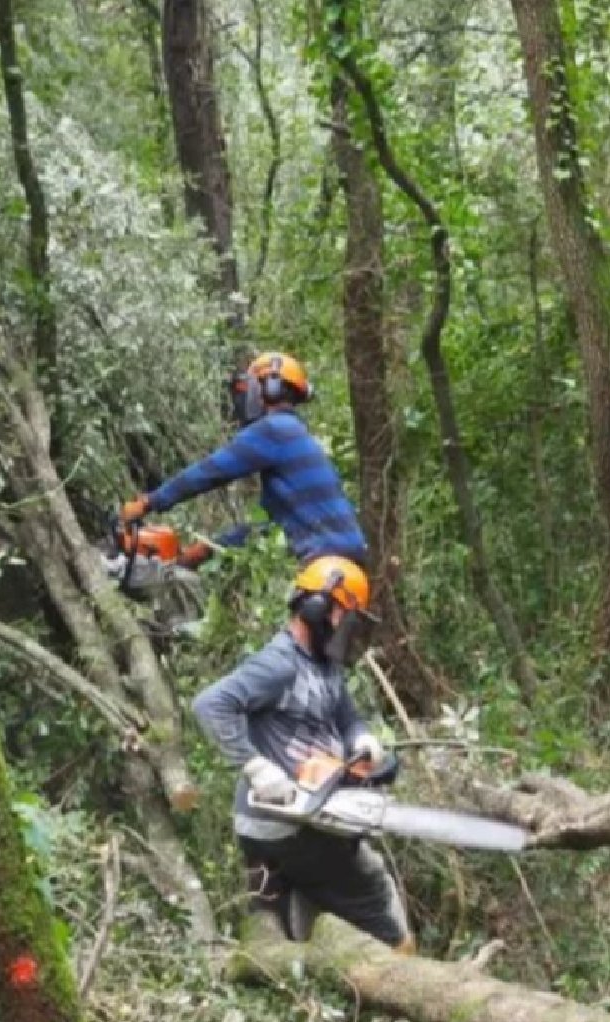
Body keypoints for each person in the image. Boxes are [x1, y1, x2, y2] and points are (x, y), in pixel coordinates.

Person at [192, 555, 413, 952]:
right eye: (347, 616)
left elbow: (347, 719)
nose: (349, 627)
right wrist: (255, 765)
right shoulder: (279, 664)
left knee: (331, 877)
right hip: (283, 824)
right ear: (319, 607)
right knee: (374, 887)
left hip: (309, 816)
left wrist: (362, 740)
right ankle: (405, 964)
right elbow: (210, 704)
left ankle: (309, 950)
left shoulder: (325, 666)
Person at [119, 353, 367, 571]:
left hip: (324, 561)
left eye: (250, 388)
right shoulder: (294, 434)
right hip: (346, 559)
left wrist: (149, 502)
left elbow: (209, 472)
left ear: (269, 387)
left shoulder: (273, 430)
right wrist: (207, 549)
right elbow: (270, 528)